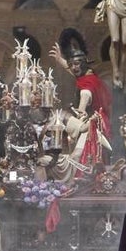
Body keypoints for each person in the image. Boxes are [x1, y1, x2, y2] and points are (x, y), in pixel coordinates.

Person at [49, 27, 112, 174]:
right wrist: (60, 60)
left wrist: (80, 113)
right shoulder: (88, 76)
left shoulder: (87, 87)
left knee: (80, 155)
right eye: (72, 65)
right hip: (94, 122)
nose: (73, 68)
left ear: (84, 63)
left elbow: (85, 97)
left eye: (77, 64)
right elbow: (75, 72)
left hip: (93, 125)